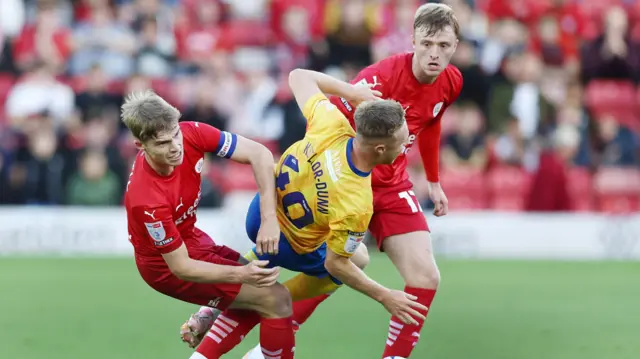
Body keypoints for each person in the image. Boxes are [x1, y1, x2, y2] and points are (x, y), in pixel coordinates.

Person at [245, 3, 464, 358]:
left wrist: (434, 181)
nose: (434, 54)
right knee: (334, 267)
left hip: (392, 184)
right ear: (412, 41)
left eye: (443, 46)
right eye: (427, 44)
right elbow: (327, 128)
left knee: (426, 276)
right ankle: (270, 329)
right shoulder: (379, 78)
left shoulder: (452, 81)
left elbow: (431, 120)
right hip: (346, 187)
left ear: (456, 46)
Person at [179, 68, 429, 358]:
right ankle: (249, 315)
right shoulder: (356, 201)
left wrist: (352, 93)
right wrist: (385, 295)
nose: (403, 151)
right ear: (381, 148)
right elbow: (337, 265)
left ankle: (234, 291)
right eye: (401, 144)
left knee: (359, 255)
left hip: (261, 213)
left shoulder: (330, 123)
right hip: (286, 244)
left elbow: (298, 76)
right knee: (324, 276)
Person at [121, 90, 296, 359]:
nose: (175, 147)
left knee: (260, 295)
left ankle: (210, 321)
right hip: (166, 267)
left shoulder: (192, 133)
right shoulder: (147, 199)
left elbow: (260, 154)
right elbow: (181, 267)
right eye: (163, 143)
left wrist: (269, 218)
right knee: (277, 299)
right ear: (140, 145)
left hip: (192, 238)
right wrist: (242, 275)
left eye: (175, 135)